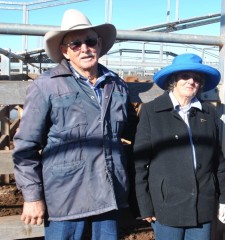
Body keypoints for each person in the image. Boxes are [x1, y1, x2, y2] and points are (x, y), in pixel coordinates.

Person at [12, 9, 137, 239]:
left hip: (109, 195)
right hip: (66, 199)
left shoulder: (116, 85)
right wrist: (32, 196)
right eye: (75, 44)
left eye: (89, 41)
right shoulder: (46, 86)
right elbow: (25, 146)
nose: (84, 49)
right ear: (64, 51)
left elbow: (136, 132)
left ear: (99, 44)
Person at [133, 53, 225, 240]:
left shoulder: (208, 113)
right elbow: (140, 163)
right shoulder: (151, 111)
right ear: (174, 80)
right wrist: (144, 204)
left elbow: (217, 160)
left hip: (202, 203)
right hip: (167, 203)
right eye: (185, 76)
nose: (191, 81)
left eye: (196, 78)